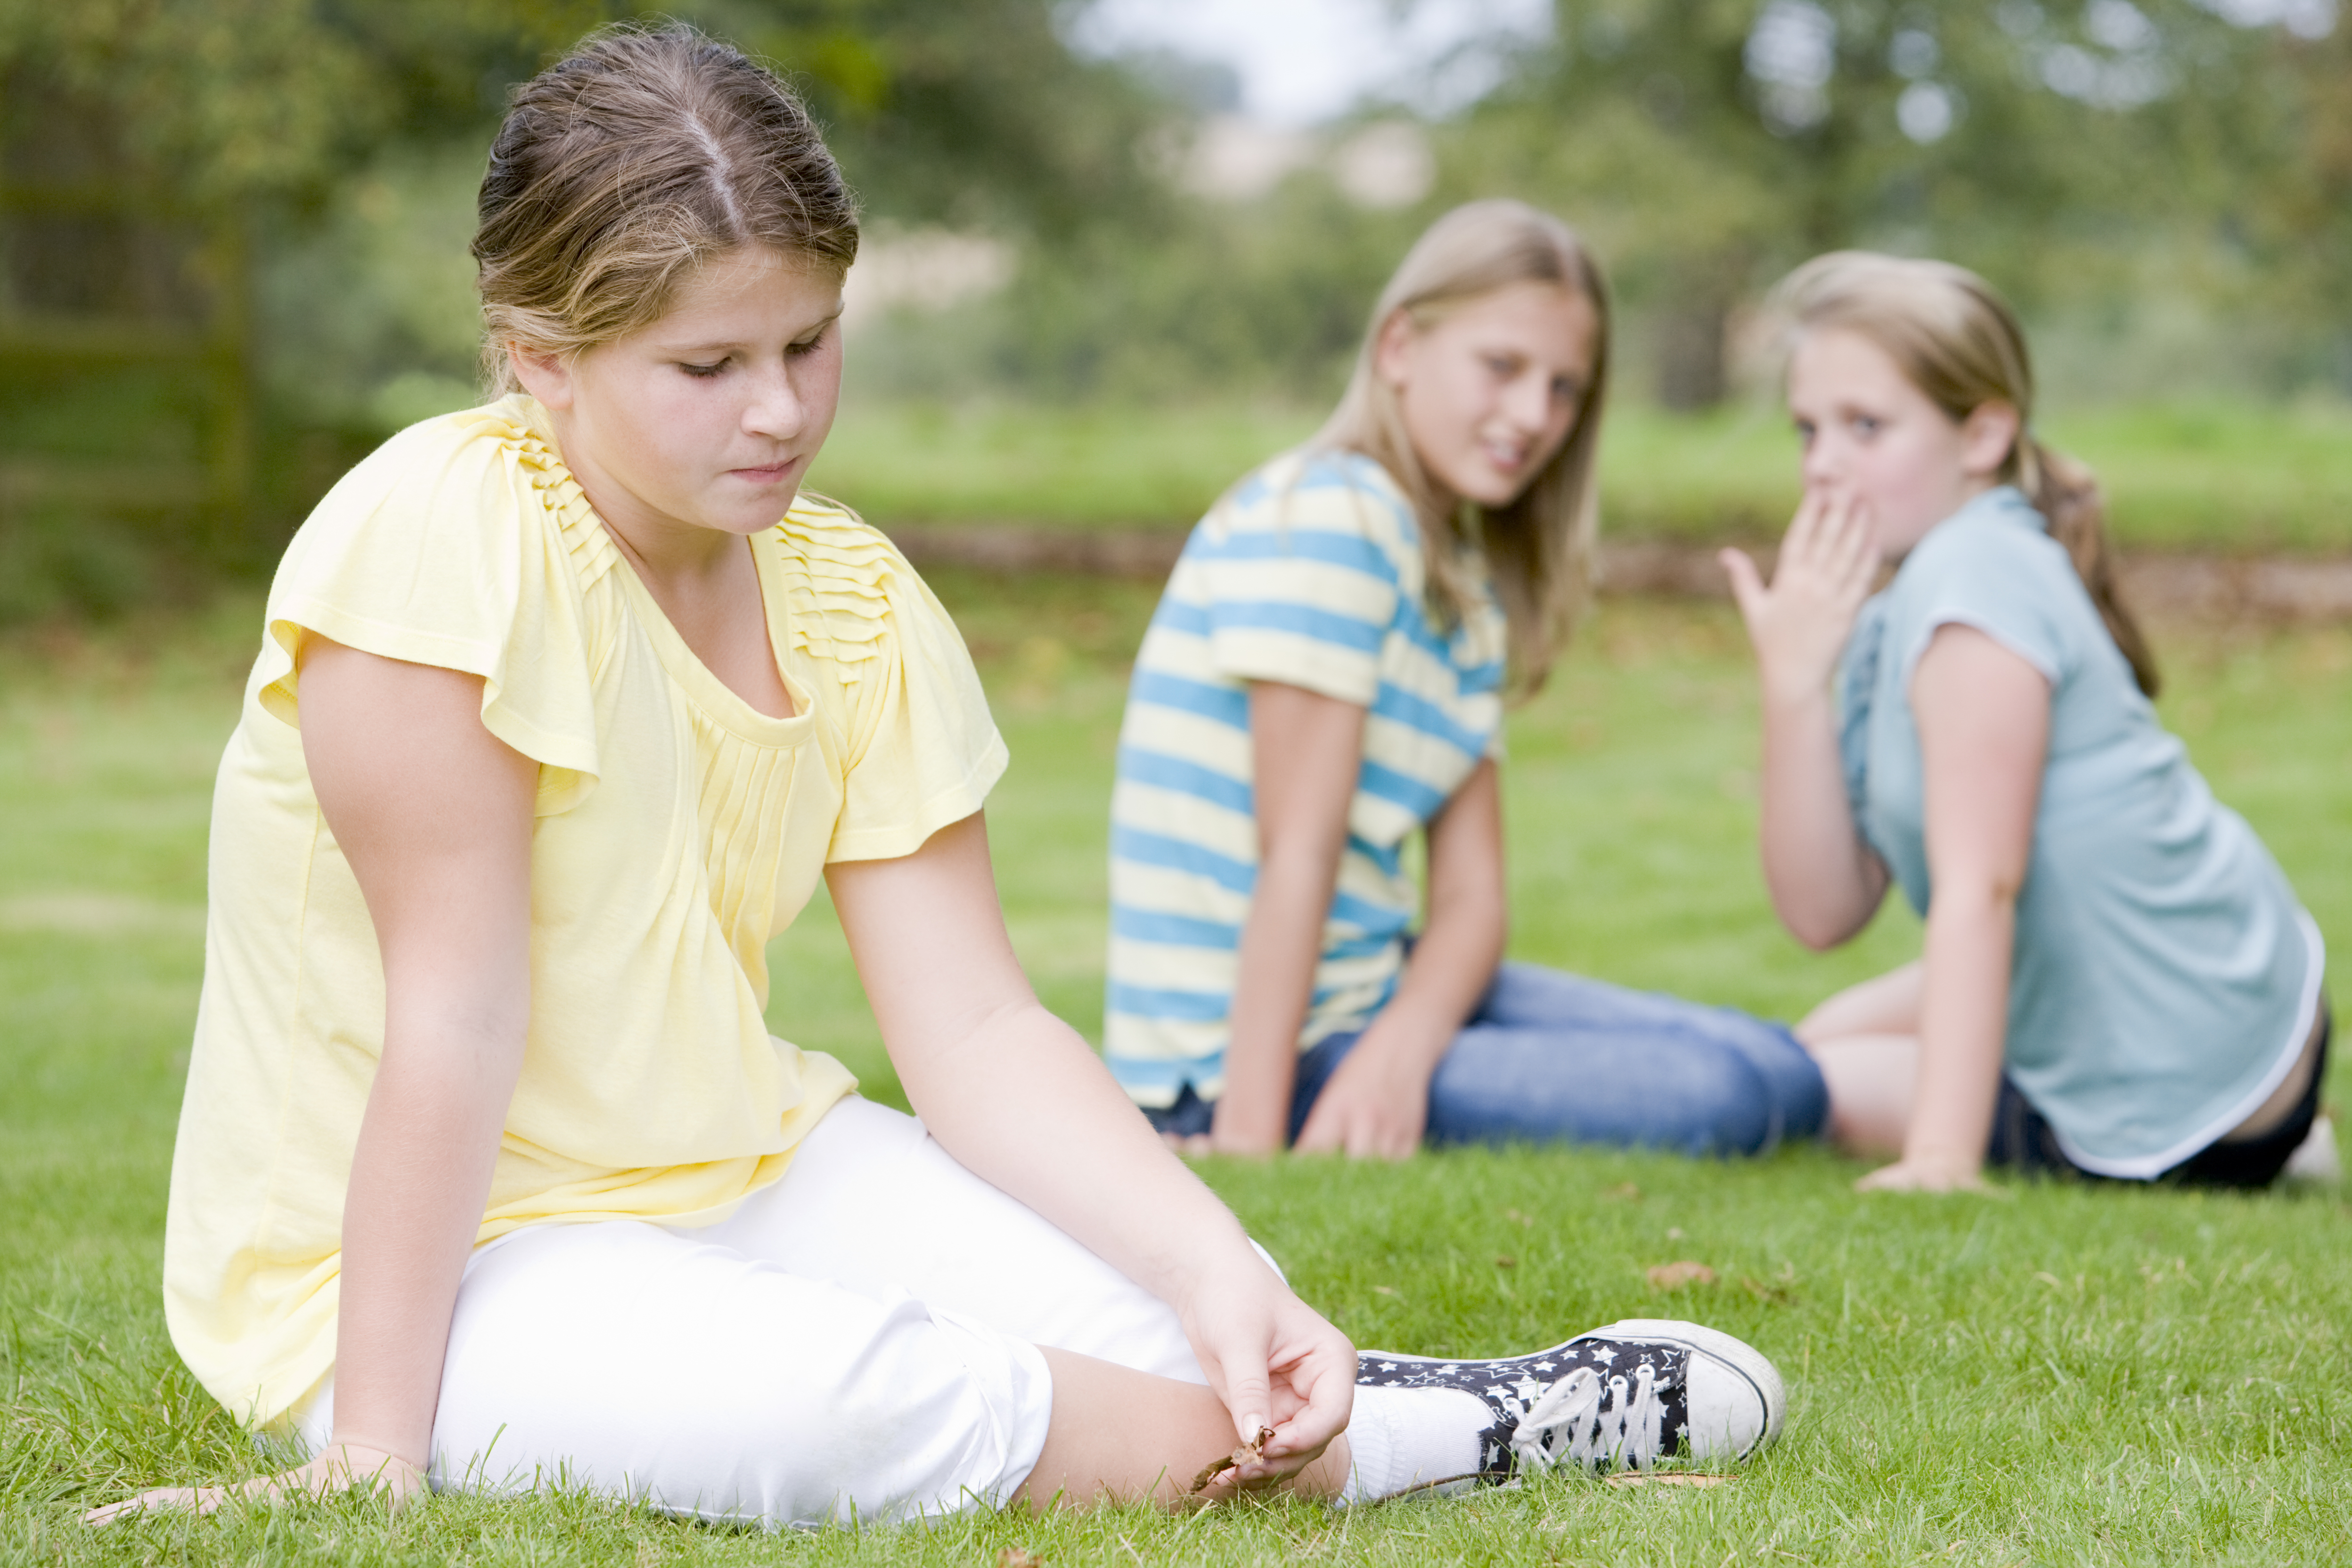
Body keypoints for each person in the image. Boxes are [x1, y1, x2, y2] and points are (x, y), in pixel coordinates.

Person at [83, 26, 1787, 1531]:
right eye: (708, 367)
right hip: (433, 1270)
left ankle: (1378, 1399)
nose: (780, 414)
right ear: (541, 355)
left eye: (810, 344)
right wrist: (373, 1448)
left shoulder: (853, 591)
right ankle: (1455, 1425)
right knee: (839, 1408)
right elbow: (447, 1016)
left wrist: (1217, 1261)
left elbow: (973, 1030)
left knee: (1169, 1304)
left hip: (748, 1165)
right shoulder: (438, 538)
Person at [1102, 200, 1828, 1161]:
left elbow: (1474, 901)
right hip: (1248, 1056)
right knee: (1729, 1092)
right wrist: (1247, 1140)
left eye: (1565, 387)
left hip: (1370, 996)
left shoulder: (1462, 583)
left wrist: (1405, 1044)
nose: (1534, 417)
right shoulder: (1331, 518)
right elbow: (1298, 854)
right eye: (1503, 367)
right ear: (1400, 345)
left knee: (1780, 1068)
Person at [1721, 251, 2330, 1194]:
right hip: (2218, 1010)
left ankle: (2266, 1139)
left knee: (1805, 1082)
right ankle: (2295, 1136)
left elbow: (1981, 888)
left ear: (1982, 435)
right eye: (1809, 428)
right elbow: (1824, 909)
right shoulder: (1906, 594)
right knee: (1817, 1038)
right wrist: (1793, 683)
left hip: (2192, 1062)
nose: (1822, 465)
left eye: (1865, 427)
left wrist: (1938, 1159)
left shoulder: (1976, 578)